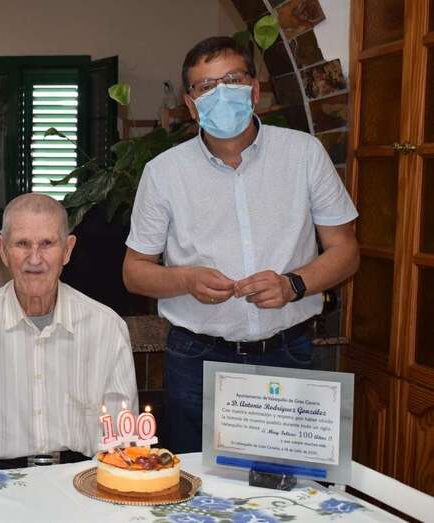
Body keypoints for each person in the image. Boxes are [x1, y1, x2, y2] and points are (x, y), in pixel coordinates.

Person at [122, 36, 359, 454]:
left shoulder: (304, 154)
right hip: (198, 359)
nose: (220, 94)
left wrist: (294, 285)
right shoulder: (164, 173)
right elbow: (134, 270)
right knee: (195, 493)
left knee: (292, 490)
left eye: (230, 80)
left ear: (253, 90)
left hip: (289, 352)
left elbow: (346, 251)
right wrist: (186, 280)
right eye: (205, 87)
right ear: (191, 104)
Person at [0, 194, 138, 473]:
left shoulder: (106, 327)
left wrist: (88, 487)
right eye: (22, 244)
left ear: (67, 250)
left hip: (82, 481)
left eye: (47, 244)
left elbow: (121, 435)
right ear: (3, 249)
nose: (35, 259)